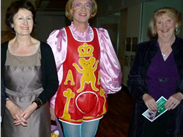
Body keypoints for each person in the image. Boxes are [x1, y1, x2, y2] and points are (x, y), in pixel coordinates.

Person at [47, 0, 122, 136]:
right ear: (70, 10)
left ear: (92, 10)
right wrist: (52, 103)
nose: (83, 8)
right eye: (78, 5)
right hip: (68, 101)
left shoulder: (101, 36)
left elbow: (108, 67)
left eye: (88, 5)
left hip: (94, 99)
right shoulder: (60, 37)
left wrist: (104, 91)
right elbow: (53, 73)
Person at [1, 0, 59, 137]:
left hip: (38, 112)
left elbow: (52, 83)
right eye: (20, 18)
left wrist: (34, 105)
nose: (25, 23)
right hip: (11, 112)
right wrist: (10, 106)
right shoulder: (2, 50)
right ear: (11, 23)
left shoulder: (45, 49)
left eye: (29, 18)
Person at [127, 7, 183, 137]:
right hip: (148, 108)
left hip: (177, 111)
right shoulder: (143, 49)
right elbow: (133, 79)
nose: (164, 26)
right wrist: (144, 96)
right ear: (154, 26)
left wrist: (181, 94)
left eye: (168, 21)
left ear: (176, 23)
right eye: (159, 22)